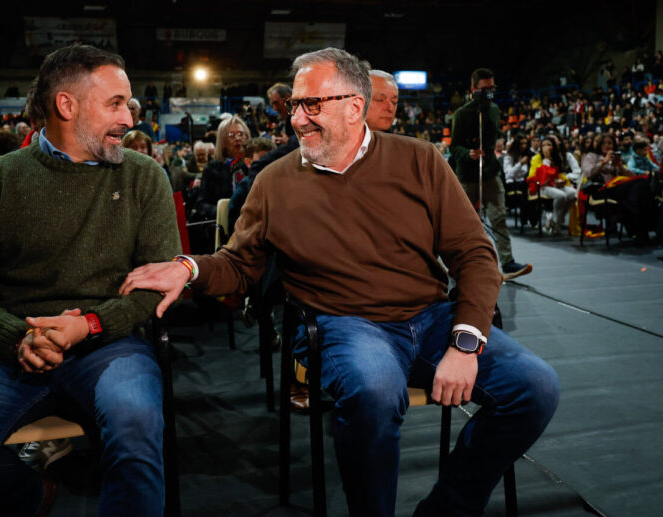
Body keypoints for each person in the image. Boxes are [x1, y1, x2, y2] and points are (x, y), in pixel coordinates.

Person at [120, 47, 560, 517]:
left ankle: (448, 508)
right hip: (346, 325)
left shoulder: (421, 159)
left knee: (536, 387)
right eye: (294, 105)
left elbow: (474, 254)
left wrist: (465, 343)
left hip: (432, 318)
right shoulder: (273, 182)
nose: (299, 119)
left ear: (355, 106)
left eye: (313, 104)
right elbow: (239, 265)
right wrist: (189, 268)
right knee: (374, 391)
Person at [0, 44, 181, 517]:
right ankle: (30, 495)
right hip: (12, 346)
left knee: (137, 431)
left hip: (109, 344)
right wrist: (17, 337)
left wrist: (88, 325)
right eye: (115, 103)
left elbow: (155, 284)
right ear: (67, 105)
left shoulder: (145, 177)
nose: (128, 118)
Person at [450, 68, 532, 280]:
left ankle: (507, 261)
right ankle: (459, 262)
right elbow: (454, 147)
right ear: (473, 89)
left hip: (490, 172)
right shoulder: (461, 114)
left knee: (499, 217)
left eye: (492, 88)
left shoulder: (494, 110)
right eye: (484, 89)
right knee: (464, 222)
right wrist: (468, 153)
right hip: (468, 175)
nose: (489, 92)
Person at [526, 136, 578, 235]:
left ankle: (558, 219)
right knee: (561, 196)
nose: (546, 147)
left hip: (553, 184)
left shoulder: (556, 157)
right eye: (544, 145)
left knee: (573, 193)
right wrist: (545, 161)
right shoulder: (536, 158)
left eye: (549, 145)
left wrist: (562, 180)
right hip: (539, 186)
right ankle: (555, 222)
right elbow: (540, 178)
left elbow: (557, 174)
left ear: (553, 147)